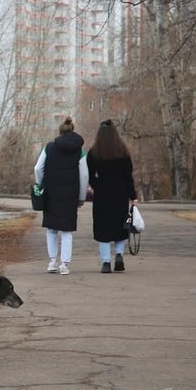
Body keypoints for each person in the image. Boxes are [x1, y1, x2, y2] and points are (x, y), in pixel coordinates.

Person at [34, 117, 88, 274]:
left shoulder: (49, 148)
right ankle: (64, 264)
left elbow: (38, 168)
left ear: (59, 131)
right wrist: (81, 196)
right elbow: (84, 175)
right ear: (73, 131)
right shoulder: (80, 151)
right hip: (71, 195)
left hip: (51, 192)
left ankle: (52, 262)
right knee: (67, 231)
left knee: (51, 229)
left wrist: (40, 185)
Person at [87, 119, 138, 273]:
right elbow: (128, 176)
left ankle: (106, 262)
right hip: (120, 193)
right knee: (120, 226)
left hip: (102, 194)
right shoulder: (123, 152)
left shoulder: (94, 152)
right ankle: (119, 255)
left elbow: (89, 175)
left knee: (103, 227)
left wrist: (98, 186)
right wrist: (132, 196)